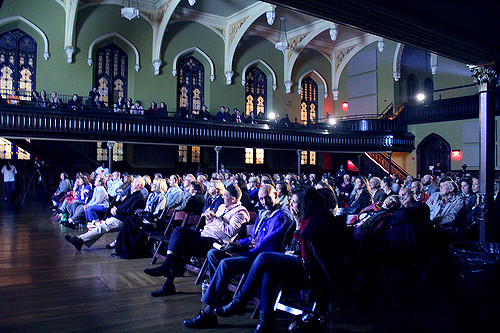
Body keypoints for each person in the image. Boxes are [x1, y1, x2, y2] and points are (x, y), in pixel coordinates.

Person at [211, 187, 342, 332]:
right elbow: (300, 245)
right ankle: (265, 323)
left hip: (311, 272)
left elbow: (321, 261)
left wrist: (332, 291)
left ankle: (240, 301)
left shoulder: (315, 222)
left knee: (263, 258)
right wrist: (297, 228)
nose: (291, 205)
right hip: (302, 264)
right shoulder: (305, 219)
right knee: (269, 271)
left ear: (305, 203)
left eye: (294, 202)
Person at [183, 184, 294, 328]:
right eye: (260, 199)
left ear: (276, 195)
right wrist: (236, 244)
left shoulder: (281, 216)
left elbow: (267, 245)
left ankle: (208, 313)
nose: (263, 201)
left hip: (261, 258)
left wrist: (242, 250)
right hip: (253, 252)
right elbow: (253, 238)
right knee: (214, 254)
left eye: (267, 197)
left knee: (225, 264)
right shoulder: (264, 213)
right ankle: (224, 297)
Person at [143, 184, 250, 297]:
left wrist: (215, 218)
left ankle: (168, 280)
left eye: (226, 196)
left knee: (181, 245)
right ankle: (168, 266)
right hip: (204, 234)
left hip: (215, 242)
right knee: (179, 231)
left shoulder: (240, 213)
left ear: (233, 199)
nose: (223, 197)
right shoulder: (222, 207)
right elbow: (212, 224)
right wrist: (208, 218)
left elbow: (230, 232)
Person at [64, 176, 146, 250]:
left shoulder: (138, 197)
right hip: (119, 216)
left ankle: (80, 239)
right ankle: (80, 240)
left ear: (139, 185)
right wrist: (116, 208)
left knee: (102, 227)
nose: (131, 182)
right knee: (101, 227)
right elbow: (123, 205)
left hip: (123, 219)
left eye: (134, 181)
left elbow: (131, 211)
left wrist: (117, 210)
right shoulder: (132, 194)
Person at [111, 178, 168, 258]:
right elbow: (146, 209)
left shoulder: (162, 197)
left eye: (154, 184)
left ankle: (128, 252)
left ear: (159, 186)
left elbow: (157, 213)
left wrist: (144, 215)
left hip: (152, 221)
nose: (151, 185)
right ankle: (121, 250)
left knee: (130, 221)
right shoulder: (151, 195)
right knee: (129, 219)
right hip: (145, 217)